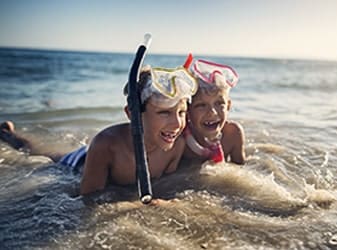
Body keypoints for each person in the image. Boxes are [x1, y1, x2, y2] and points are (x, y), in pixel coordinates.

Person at [0, 65, 198, 195]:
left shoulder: (176, 145)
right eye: (164, 113)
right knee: (40, 154)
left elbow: (163, 185)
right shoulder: (106, 144)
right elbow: (89, 199)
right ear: (133, 113)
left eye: (181, 112)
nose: (176, 123)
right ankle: (9, 135)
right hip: (79, 162)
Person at [182, 59, 246, 165]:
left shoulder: (233, 134)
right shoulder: (181, 142)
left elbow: (240, 168)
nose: (212, 113)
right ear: (188, 109)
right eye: (201, 105)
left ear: (228, 106)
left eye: (219, 103)